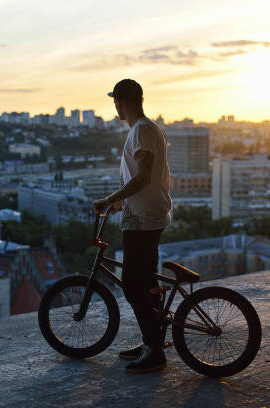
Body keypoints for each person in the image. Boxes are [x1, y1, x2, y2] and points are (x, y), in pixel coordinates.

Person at [92, 79, 172, 374]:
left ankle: (154, 352)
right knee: (148, 285)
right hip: (147, 215)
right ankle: (152, 341)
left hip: (142, 220)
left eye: (116, 102)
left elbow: (142, 177)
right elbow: (146, 182)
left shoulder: (141, 132)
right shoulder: (149, 129)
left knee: (133, 287)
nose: (115, 107)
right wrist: (118, 205)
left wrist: (110, 198)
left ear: (121, 103)